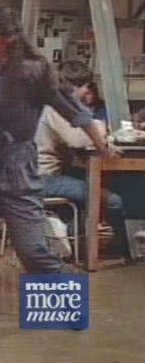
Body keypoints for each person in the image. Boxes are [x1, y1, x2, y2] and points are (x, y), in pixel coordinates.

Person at [0, 3, 117, 327]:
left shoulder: (34, 70)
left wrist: (102, 146)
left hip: (17, 159)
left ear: (8, 36)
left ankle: (66, 304)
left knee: (31, 246)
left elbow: (76, 112)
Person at [35, 60, 129, 261]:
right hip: (44, 178)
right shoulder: (55, 107)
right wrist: (100, 128)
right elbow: (77, 139)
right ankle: (124, 249)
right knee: (112, 200)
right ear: (75, 86)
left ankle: (70, 238)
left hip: (42, 174)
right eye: (86, 86)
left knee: (100, 186)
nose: (87, 91)